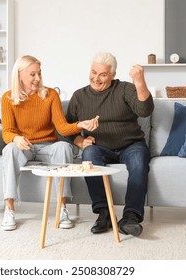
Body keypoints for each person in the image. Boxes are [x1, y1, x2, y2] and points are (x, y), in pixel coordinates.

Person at [0, 55, 99, 231]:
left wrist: (79, 125)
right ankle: (9, 210)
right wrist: (16, 139)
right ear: (20, 75)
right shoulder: (8, 98)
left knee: (63, 146)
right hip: (25, 146)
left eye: (39, 73)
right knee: (9, 149)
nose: (38, 78)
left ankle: (62, 209)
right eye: (32, 74)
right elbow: (7, 131)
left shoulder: (50, 94)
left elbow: (61, 127)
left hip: (48, 146)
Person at [66, 52, 154, 237]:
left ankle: (130, 216)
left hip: (131, 145)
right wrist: (80, 141)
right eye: (93, 72)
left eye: (103, 74)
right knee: (88, 156)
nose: (96, 78)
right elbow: (64, 127)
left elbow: (145, 111)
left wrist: (139, 82)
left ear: (113, 75)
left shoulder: (124, 89)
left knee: (139, 163)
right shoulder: (79, 96)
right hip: (100, 147)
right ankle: (104, 213)